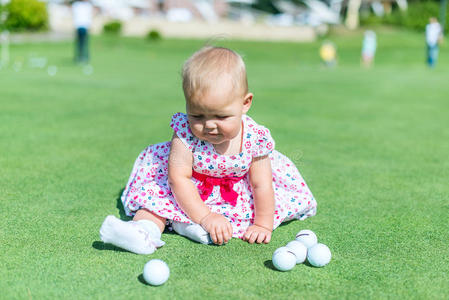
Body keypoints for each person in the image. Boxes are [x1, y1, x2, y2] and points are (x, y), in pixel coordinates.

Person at [99, 47, 317, 254]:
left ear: (245, 103)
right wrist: (205, 216)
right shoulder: (184, 132)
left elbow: (261, 183)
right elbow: (178, 179)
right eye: (197, 116)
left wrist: (262, 224)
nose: (209, 125)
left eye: (221, 116)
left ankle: (185, 224)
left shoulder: (254, 137)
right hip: (186, 190)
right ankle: (143, 232)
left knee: (255, 211)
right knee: (154, 204)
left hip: (235, 193)